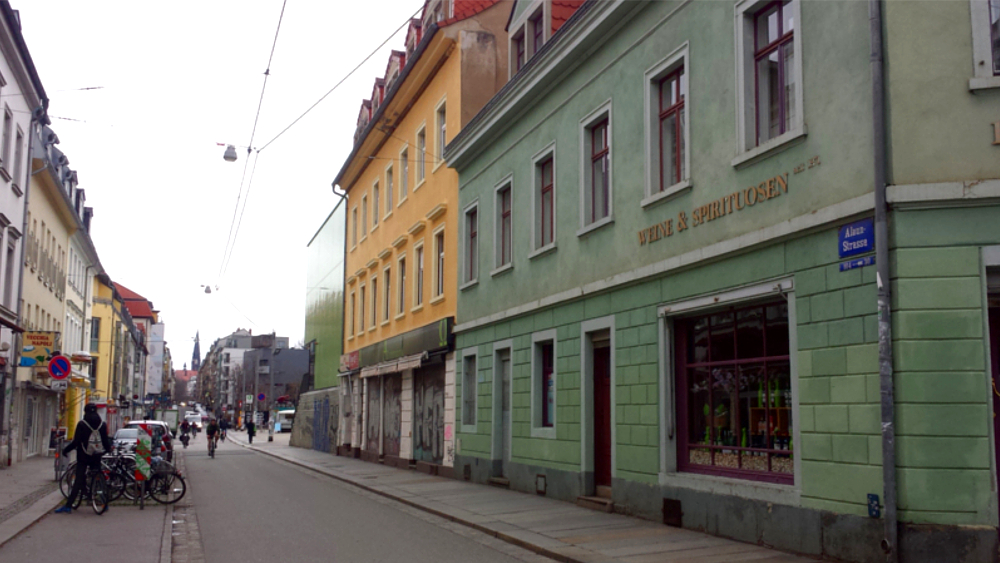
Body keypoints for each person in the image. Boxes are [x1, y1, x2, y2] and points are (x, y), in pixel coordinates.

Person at [55, 403, 112, 514]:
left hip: (83, 456)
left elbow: (76, 442)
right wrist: (108, 449)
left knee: (78, 480)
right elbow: (105, 441)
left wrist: (66, 450)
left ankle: (68, 506)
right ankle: (104, 503)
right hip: (97, 455)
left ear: (85, 411)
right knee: (98, 477)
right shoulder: (102, 424)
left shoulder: (82, 424)